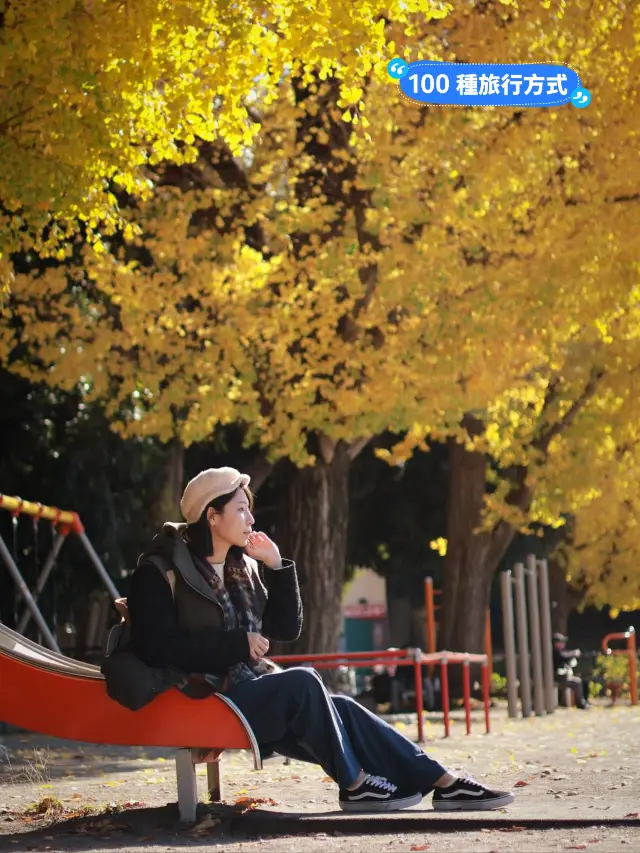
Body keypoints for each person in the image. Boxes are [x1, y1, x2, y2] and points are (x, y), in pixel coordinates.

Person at [126, 466, 515, 813]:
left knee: (340, 705)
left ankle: (443, 782)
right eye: (240, 509)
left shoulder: (238, 567)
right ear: (213, 516)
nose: (251, 518)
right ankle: (355, 784)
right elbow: (158, 649)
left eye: (249, 508)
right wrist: (238, 644)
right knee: (305, 682)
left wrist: (276, 566)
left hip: (243, 691)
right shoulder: (160, 572)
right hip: (199, 700)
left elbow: (284, 629)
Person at [553, 632, 589, 709]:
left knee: (583, 681)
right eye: (561, 642)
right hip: (557, 678)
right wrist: (574, 653)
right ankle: (580, 703)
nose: (563, 644)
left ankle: (584, 701)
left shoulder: (559, 651)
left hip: (560, 677)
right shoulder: (555, 652)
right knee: (577, 682)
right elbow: (564, 656)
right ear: (556, 643)